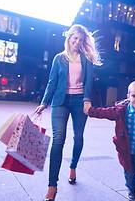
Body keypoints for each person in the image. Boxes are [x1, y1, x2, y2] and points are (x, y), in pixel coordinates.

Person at [35, 24, 101, 201]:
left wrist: (87, 100)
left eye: (81, 39)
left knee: (78, 137)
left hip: (80, 102)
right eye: (75, 38)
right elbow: (52, 82)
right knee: (58, 140)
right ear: (69, 38)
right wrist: (44, 103)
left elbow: (89, 83)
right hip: (60, 102)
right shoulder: (59, 59)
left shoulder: (86, 59)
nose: (77, 42)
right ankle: (52, 185)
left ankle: (73, 166)